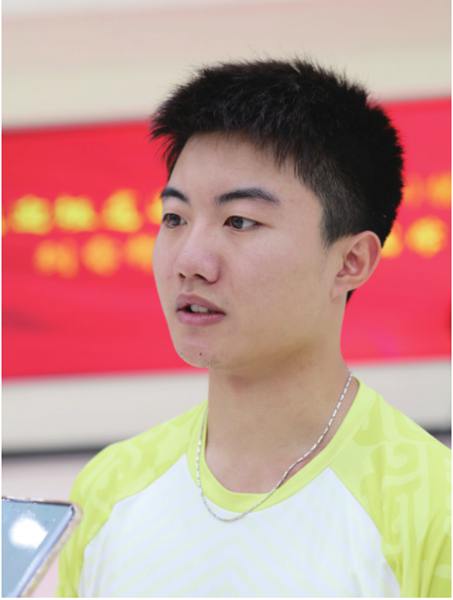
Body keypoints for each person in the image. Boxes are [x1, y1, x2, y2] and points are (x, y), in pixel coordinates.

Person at [58, 58, 450, 597]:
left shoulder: (432, 505)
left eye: (239, 221)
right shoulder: (109, 487)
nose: (189, 261)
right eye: (175, 219)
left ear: (350, 262)